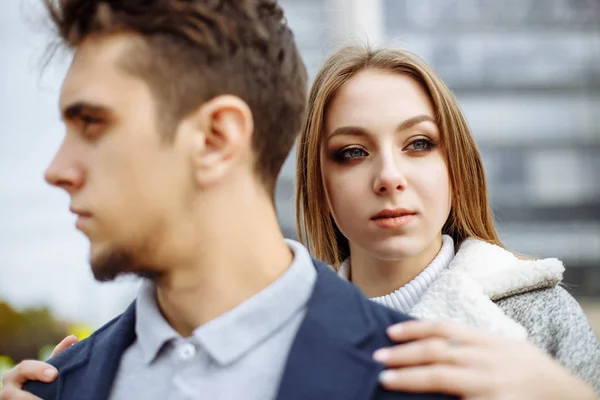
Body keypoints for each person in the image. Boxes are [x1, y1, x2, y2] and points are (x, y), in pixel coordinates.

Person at [0, 1, 455, 399]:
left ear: (217, 137)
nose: (57, 170)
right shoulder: (52, 389)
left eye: (92, 124)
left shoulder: (427, 385)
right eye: (352, 152)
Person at [295, 44, 600, 394]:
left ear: (456, 165)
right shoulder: (287, 337)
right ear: (319, 182)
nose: (389, 177)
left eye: (419, 143)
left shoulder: (545, 316)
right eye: (352, 152)